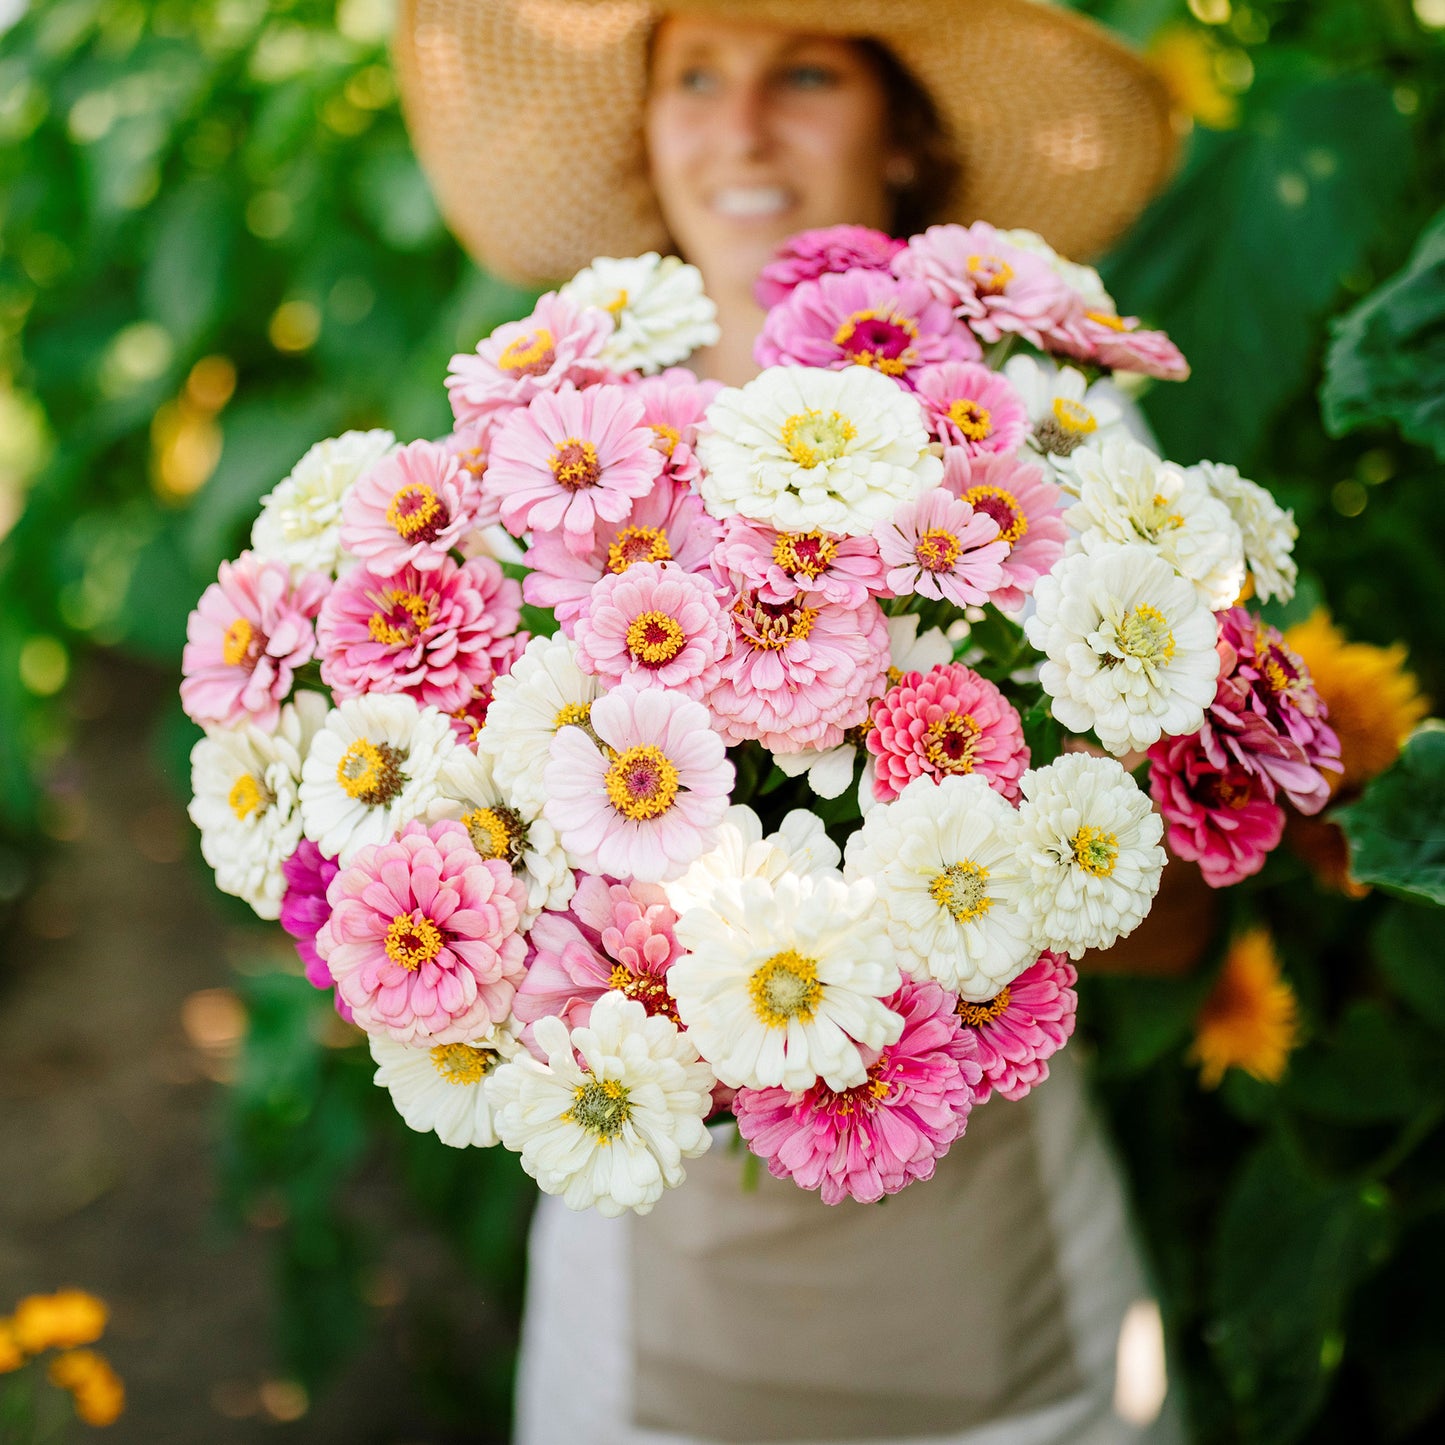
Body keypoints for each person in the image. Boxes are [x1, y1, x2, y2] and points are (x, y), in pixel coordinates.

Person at [396, 2, 1190, 1440]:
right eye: (693, 75)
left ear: (906, 139)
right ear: (645, 133)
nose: (740, 126)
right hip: (651, 1282)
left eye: (804, 72)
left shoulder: (1034, 425)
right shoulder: (547, 452)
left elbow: (1173, 909)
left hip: (988, 1256)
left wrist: (945, 906)